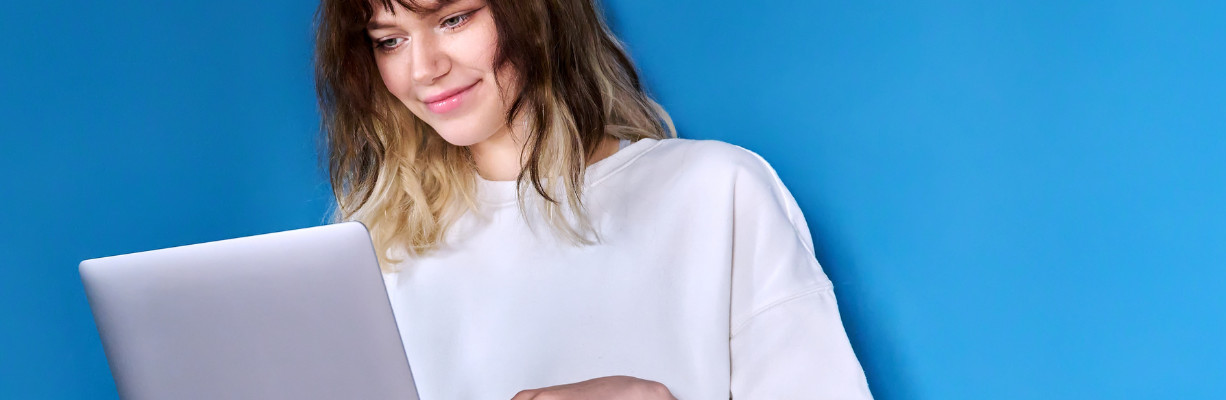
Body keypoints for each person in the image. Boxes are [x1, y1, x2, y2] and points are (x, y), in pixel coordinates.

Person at [314, 0, 875, 398]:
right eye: (390, 40)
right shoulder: (378, 255)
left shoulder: (716, 192)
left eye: (454, 18)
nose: (424, 69)